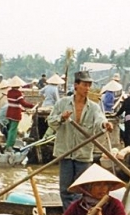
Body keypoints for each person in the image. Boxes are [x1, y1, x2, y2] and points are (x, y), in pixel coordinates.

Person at [48, 70, 113, 208]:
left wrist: (104, 124)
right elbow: (50, 121)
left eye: (89, 85)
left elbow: (99, 119)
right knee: (65, 189)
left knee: (81, 189)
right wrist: (61, 118)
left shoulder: (94, 107)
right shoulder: (62, 103)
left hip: (83, 153)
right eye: (84, 85)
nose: (87, 88)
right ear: (76, 85)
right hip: (65, 151)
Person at [4, 76, 34, 150]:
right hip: (15, 113)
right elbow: (23, 103)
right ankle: (9, 145)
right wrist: (31, 105)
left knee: (11, 128)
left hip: (9, 112)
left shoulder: (9, 92)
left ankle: (9, 143)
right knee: (13, 130)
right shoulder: (18, 93)